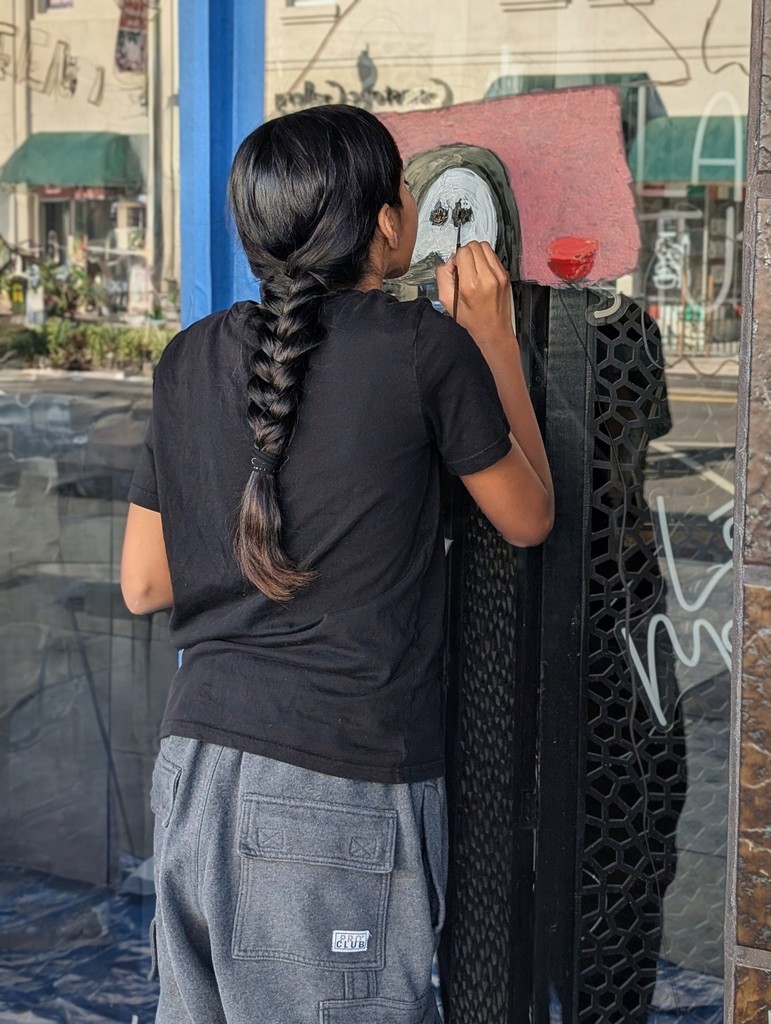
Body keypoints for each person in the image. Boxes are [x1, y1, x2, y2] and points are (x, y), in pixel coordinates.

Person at [120, 104, 553, 1024]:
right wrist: (495, 340)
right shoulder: (421, 349)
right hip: (335, 791)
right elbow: (527, 517)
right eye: (402, 186)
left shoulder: (187, 357)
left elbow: (143, 583)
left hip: (194, 774)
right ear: (385, 220)